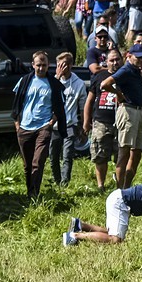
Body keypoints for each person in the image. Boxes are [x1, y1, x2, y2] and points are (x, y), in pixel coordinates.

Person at [12, 51, 68, 200]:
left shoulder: (54, 84)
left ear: (48, 65)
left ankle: (34, 195)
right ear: (33, 65)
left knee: (38, 162)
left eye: (44, 65)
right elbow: (16, 104)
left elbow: (60, 107)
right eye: (38, 65)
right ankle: (29, 191)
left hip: (43, 127)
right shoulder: (25, 81)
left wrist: (51, 123)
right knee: (27, 165)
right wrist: (17, 124)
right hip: (24, 127)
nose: (41, 68)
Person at [101, 45, 142, 189]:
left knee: (137, 153)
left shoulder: (136, 71)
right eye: (138, 57)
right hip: (128, 111)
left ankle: (126, 187)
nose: (141, 60)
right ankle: (119, 190)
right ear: (129, 56)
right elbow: (105, 84)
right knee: (124, 153)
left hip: (138, 112)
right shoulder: (126, 69)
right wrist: (119, 95)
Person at [84, 49, 123, 191]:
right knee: (100, 155)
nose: (115, 63)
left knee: (121, 155)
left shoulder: (126, 76)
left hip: (122, 122)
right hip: (101, 121)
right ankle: (101, 185)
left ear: (122, 60)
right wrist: (86, 121)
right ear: (106, 62)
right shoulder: (99, 76)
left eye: (117, 59)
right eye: (111, 60)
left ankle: (120, 185)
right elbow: (89, 100)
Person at [49, 52, 86, 187]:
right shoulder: (52, 81)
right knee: (53, 156)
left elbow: (82, 106)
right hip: (54, 125)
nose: (61, 68)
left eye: (64, 65)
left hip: (70, 124)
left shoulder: (79, 84)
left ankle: (64, 184)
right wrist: (57, 77)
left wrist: (83, 126)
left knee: (67, 155)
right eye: (59, 65)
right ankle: (56, 180)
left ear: (70, 65)